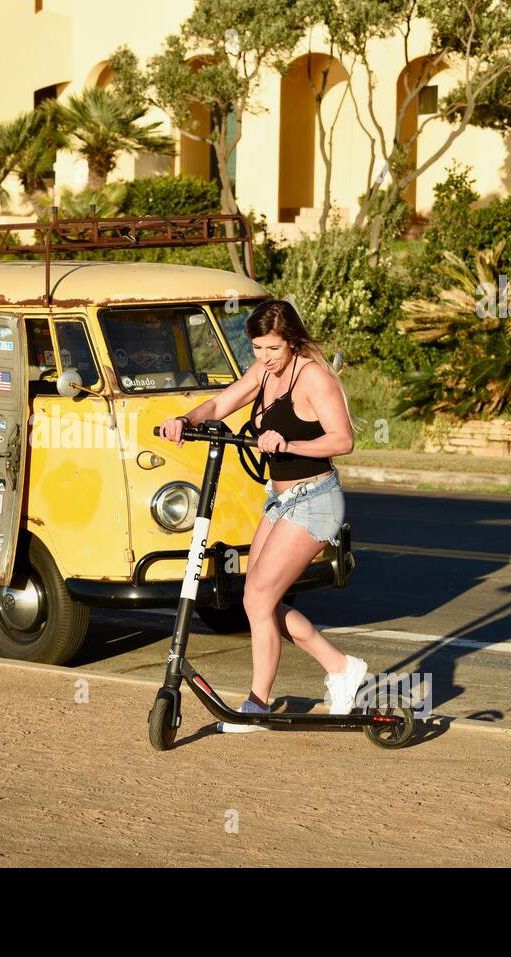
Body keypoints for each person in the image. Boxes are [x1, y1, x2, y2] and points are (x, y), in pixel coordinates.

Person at [158, 299, 365, 732]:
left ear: (291, 340)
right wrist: (183, 419)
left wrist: (287, 445)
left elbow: (342, 439)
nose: (265, 358)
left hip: (316, 499)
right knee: (257, 598)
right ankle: (341, 667)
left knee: (258, 599)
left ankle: (258, 704)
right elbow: (219, 406)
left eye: (272, 348)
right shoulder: (264, 373)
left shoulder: (313, 377)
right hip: (280, 497)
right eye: (256, 348)